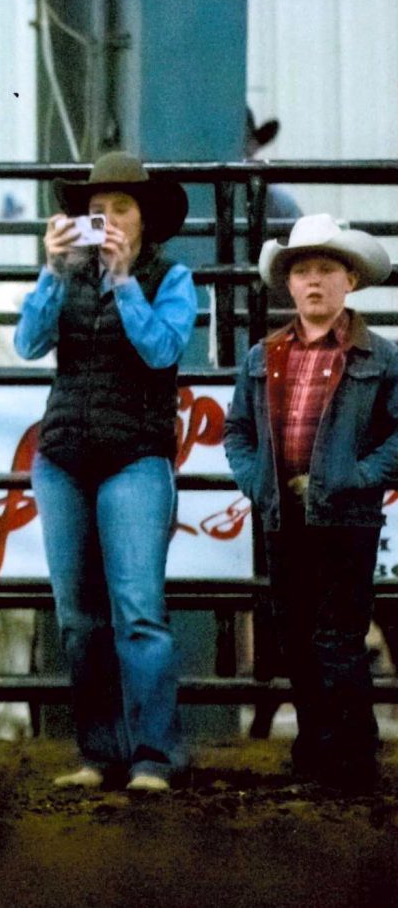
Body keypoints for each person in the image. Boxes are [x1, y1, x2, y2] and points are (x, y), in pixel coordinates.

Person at [14, 152, 198, 793]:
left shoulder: (170, 278)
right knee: (79, 617)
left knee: (138, 612)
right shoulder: (68, 275)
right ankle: (102, 754)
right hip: (66, 454)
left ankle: (152, 755)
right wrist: (50, 271)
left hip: (133, 456)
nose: (109, 219)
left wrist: (122, 283)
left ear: (145, 219)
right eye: (98, 210)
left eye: (122, 208)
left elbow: (161, 351)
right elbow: (28, 343)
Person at [223, 214, 398, 795]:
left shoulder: (381, 357)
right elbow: (238, 432)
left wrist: (360, 476)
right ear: (289, 284)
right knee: (297, 633)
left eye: (326, 269)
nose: (314, 281)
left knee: (337, 635)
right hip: (285, 514)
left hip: (346, 515)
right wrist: (258, 484)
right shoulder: (263, 355)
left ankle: (349, 757)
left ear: (349, 280)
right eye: (302, 271)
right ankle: (322, 753)